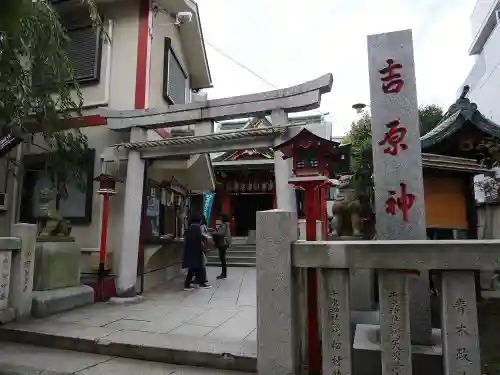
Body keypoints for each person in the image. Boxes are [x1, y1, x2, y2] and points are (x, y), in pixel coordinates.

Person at [182, 214, 211, 290]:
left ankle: (196, 283)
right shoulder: (197, 228)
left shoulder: (189, 228)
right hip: (196, 251)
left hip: (190, 251)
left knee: (194, 268)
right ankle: (196, 283)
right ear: (200, 221)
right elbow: (200, 239)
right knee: (198, 267)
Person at [215, 212, 232, 280]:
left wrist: (213, 232)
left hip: (223, 243)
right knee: (222, 258)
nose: (219, 218)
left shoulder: (224, 225)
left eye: (220, 217)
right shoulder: (225, 224)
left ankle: (224, 274)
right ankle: (223, 274)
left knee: (222, 258)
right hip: (224, 243)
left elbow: (221, 233)